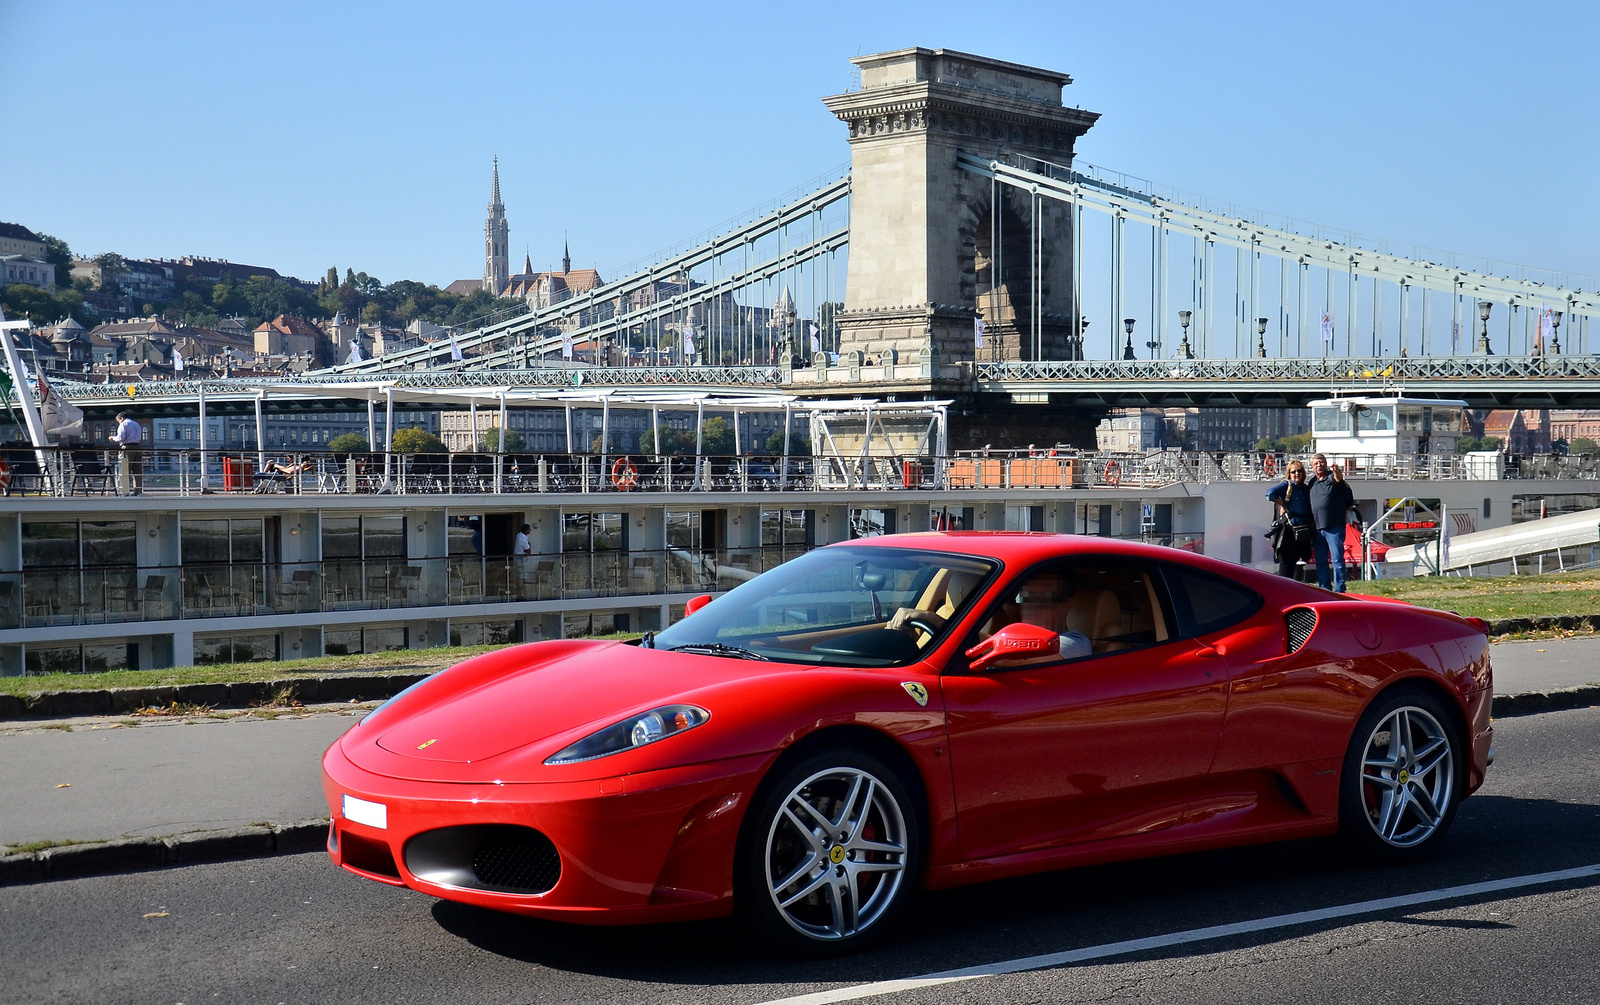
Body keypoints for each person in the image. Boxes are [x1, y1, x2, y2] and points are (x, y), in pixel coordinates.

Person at [1308, 453, 1360, 592]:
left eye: (1321, 462)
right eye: (1316, 463)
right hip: (1318, 528)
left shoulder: (1332, 477)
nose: (1319, 465)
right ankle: (1324, 588)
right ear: (1312, 467)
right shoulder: (1312, 483)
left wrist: (1337, 471)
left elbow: (1338, 479)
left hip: (1334, 527)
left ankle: (1340, 589)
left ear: (1326, 463)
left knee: (1337, 560)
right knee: (1321, 562)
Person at [1265, 459, 1314, 580]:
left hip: (1303, 531)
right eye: (1293, 472)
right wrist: (1282, 504)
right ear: (1289, 473)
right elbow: (1269, 494)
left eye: (1299, 471)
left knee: (1297, 564)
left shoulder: (1305, 489)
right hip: (1289, 531)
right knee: (1286, 565)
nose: (1296, 474)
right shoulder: (1287, 485)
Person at [108, 410, 142, 495]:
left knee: (124, 470)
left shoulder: (123, 424)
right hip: (138, 447)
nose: (119, 423)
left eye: (118, 421)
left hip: (127, 447)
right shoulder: (136, 424)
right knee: (137, 471)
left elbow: (121, 438)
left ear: (121, 418)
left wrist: (112, 438)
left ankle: (125, 492)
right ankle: (138, 492)